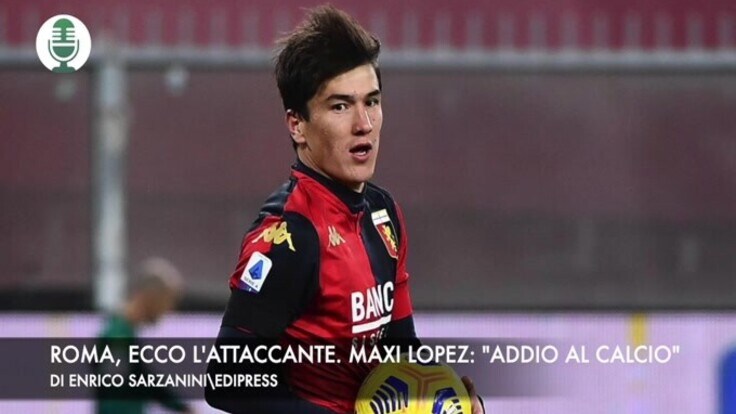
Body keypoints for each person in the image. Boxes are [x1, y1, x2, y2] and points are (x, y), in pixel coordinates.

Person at [205, 5, 485, 414]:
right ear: (297, 124)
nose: (363, 124)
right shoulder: (290, 235)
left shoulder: (383, 213)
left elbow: (401, 349)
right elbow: (227, 382)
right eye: (340, 106)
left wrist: (448, 400)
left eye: (372, 102)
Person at [95, 257, 192, 414]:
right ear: (151, 297)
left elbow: (146, 382)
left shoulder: (124, 334)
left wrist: (181, 407)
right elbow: (115, 398)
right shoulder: (118, 336)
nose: (169, 310)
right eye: (168, 301)